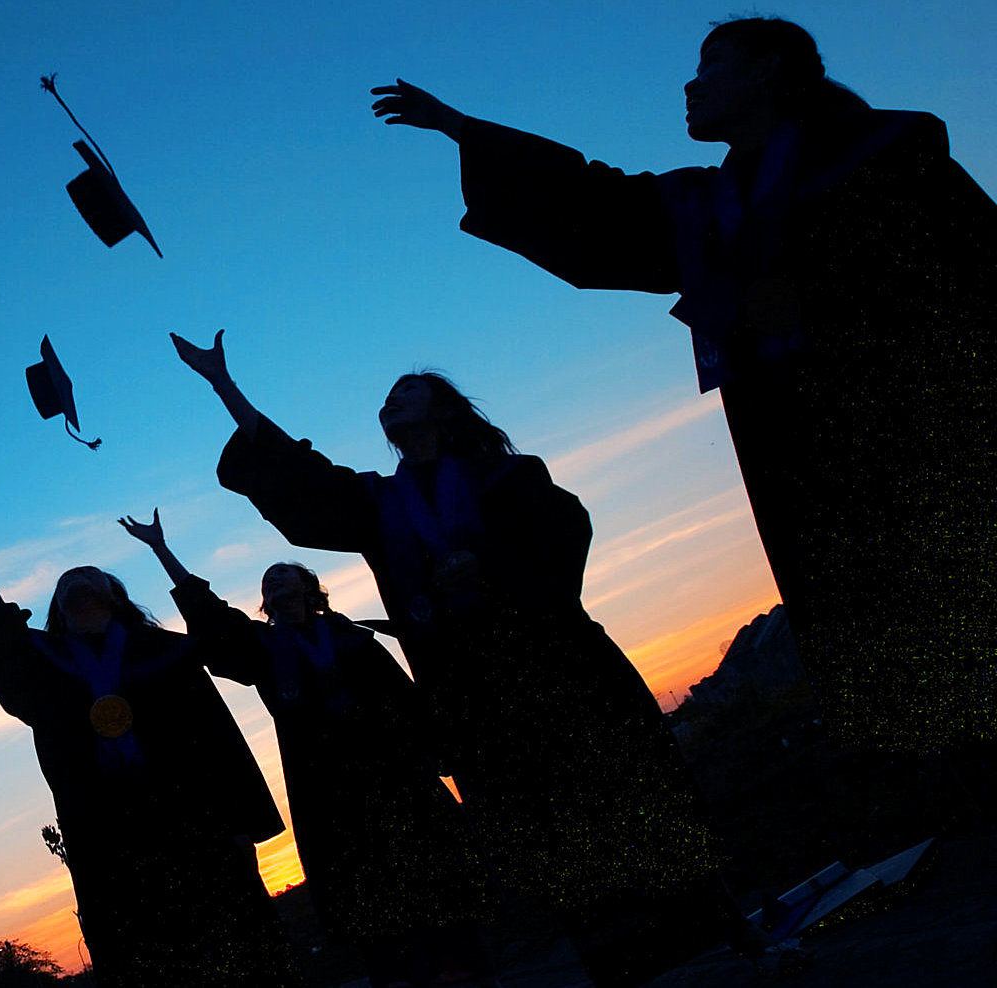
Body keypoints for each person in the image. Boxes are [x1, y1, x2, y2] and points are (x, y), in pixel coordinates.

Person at [370, 16, 996, 754]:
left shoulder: (886, 152)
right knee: (868, 615)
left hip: (922, 421)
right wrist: (464, 132)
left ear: (766, 71)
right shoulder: (705, 207)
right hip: (798, 447)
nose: (692, 83)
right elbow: (595, 205)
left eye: (712, 63)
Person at [172, 337, 768, 987]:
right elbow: (303, 480)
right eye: (388, 396)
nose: (393, 399)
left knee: (628, 803)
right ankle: (624, 966)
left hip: (560, 673)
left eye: (410, 391)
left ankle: (738, 937)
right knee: (545, 835)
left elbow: (562, 543)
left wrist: (491, 574)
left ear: (445, 413)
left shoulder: (508, 477)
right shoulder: (379, 504)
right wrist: (223, 386)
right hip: (474, 700)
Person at [0, 431, 300, 988]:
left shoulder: (166, 654)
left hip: (198, 830)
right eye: (66, 587)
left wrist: (243, 825)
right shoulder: (42, 669)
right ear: (57, 611)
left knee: (244, 959)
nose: (78, 587)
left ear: (115, 597)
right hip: (107, 846)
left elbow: (220, 740)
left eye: (90, 580)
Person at [119, 513, 498, 988]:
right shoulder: (261, 647)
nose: (276, 582)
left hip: (396, 778)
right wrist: (161, 549)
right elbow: (210, 616)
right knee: (371, 908)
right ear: (266, 602)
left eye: (285, 575)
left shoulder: (355, 639)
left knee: (440, 895)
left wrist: (439, 759)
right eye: (268, 582)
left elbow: (406, 701)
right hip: (328, 791)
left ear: (310, 589)